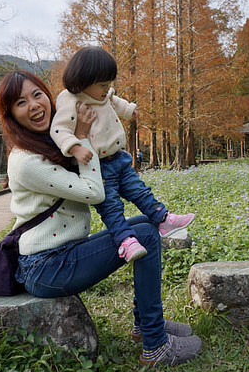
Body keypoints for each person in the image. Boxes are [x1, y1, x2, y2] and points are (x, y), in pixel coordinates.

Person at [0, 70, 201, 367]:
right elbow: (94, 192)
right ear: (11, 114)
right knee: (142, 234)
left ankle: (145, 325)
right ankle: (156, 347)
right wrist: (81, 137)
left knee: (146, 225)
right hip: (46, 267)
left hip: (63, 254)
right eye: (20, 102)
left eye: (37, 95)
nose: (34, 106)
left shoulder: (52, 140)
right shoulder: (25, 161)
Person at [50, 46, 195, 263]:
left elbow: (115, 101)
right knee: (111, 206)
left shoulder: (103, 93)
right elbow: (58, 129)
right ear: (83, 81)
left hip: (120, 158)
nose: (107, 89)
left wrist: (129, 110)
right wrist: (75, 147)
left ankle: (163, 219)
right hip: (98, 166)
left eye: (109, 84)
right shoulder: (70, 100)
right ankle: (125, 241)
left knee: (140, 191)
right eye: (102, 85)